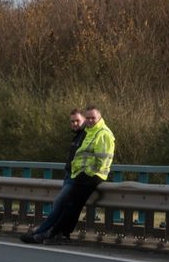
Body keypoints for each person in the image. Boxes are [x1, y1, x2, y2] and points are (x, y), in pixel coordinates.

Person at [22, 105, 115, 245]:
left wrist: (86, 173)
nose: (90, 120)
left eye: (92, 118)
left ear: (100, 117)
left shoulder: (103, 133)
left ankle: (49, 234)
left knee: (68, 205)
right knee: (71, 206)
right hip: (80, 175)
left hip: (90, 176)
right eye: (88, 117)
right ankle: (58, 234)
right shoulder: (91, 131)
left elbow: (102, 160)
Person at [22, 109, 88, 243]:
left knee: (58, 203)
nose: (75, 123)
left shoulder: (86, 136)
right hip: (69, 174)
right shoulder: (77, 136)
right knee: (63, 206)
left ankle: (40, 232)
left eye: (77, 121)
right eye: (72, 121)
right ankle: (54, 233)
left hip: (75, 178)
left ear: (84, 120)